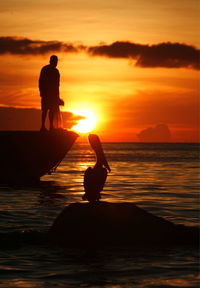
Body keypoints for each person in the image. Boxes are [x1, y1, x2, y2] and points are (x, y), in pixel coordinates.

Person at [39, 55, 63, 131]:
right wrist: (42, 92)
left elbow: (57, 85)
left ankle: (51, 126)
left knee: (52, 110)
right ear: (50, 61)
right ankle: (43, 126)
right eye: (54, 61)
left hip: (53, 95)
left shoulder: (56, 72)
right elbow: (41, 81)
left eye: (56, 62)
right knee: (45, 110)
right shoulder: (45, 69)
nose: (56, 63)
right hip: (46, 94)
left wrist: (58, 97)